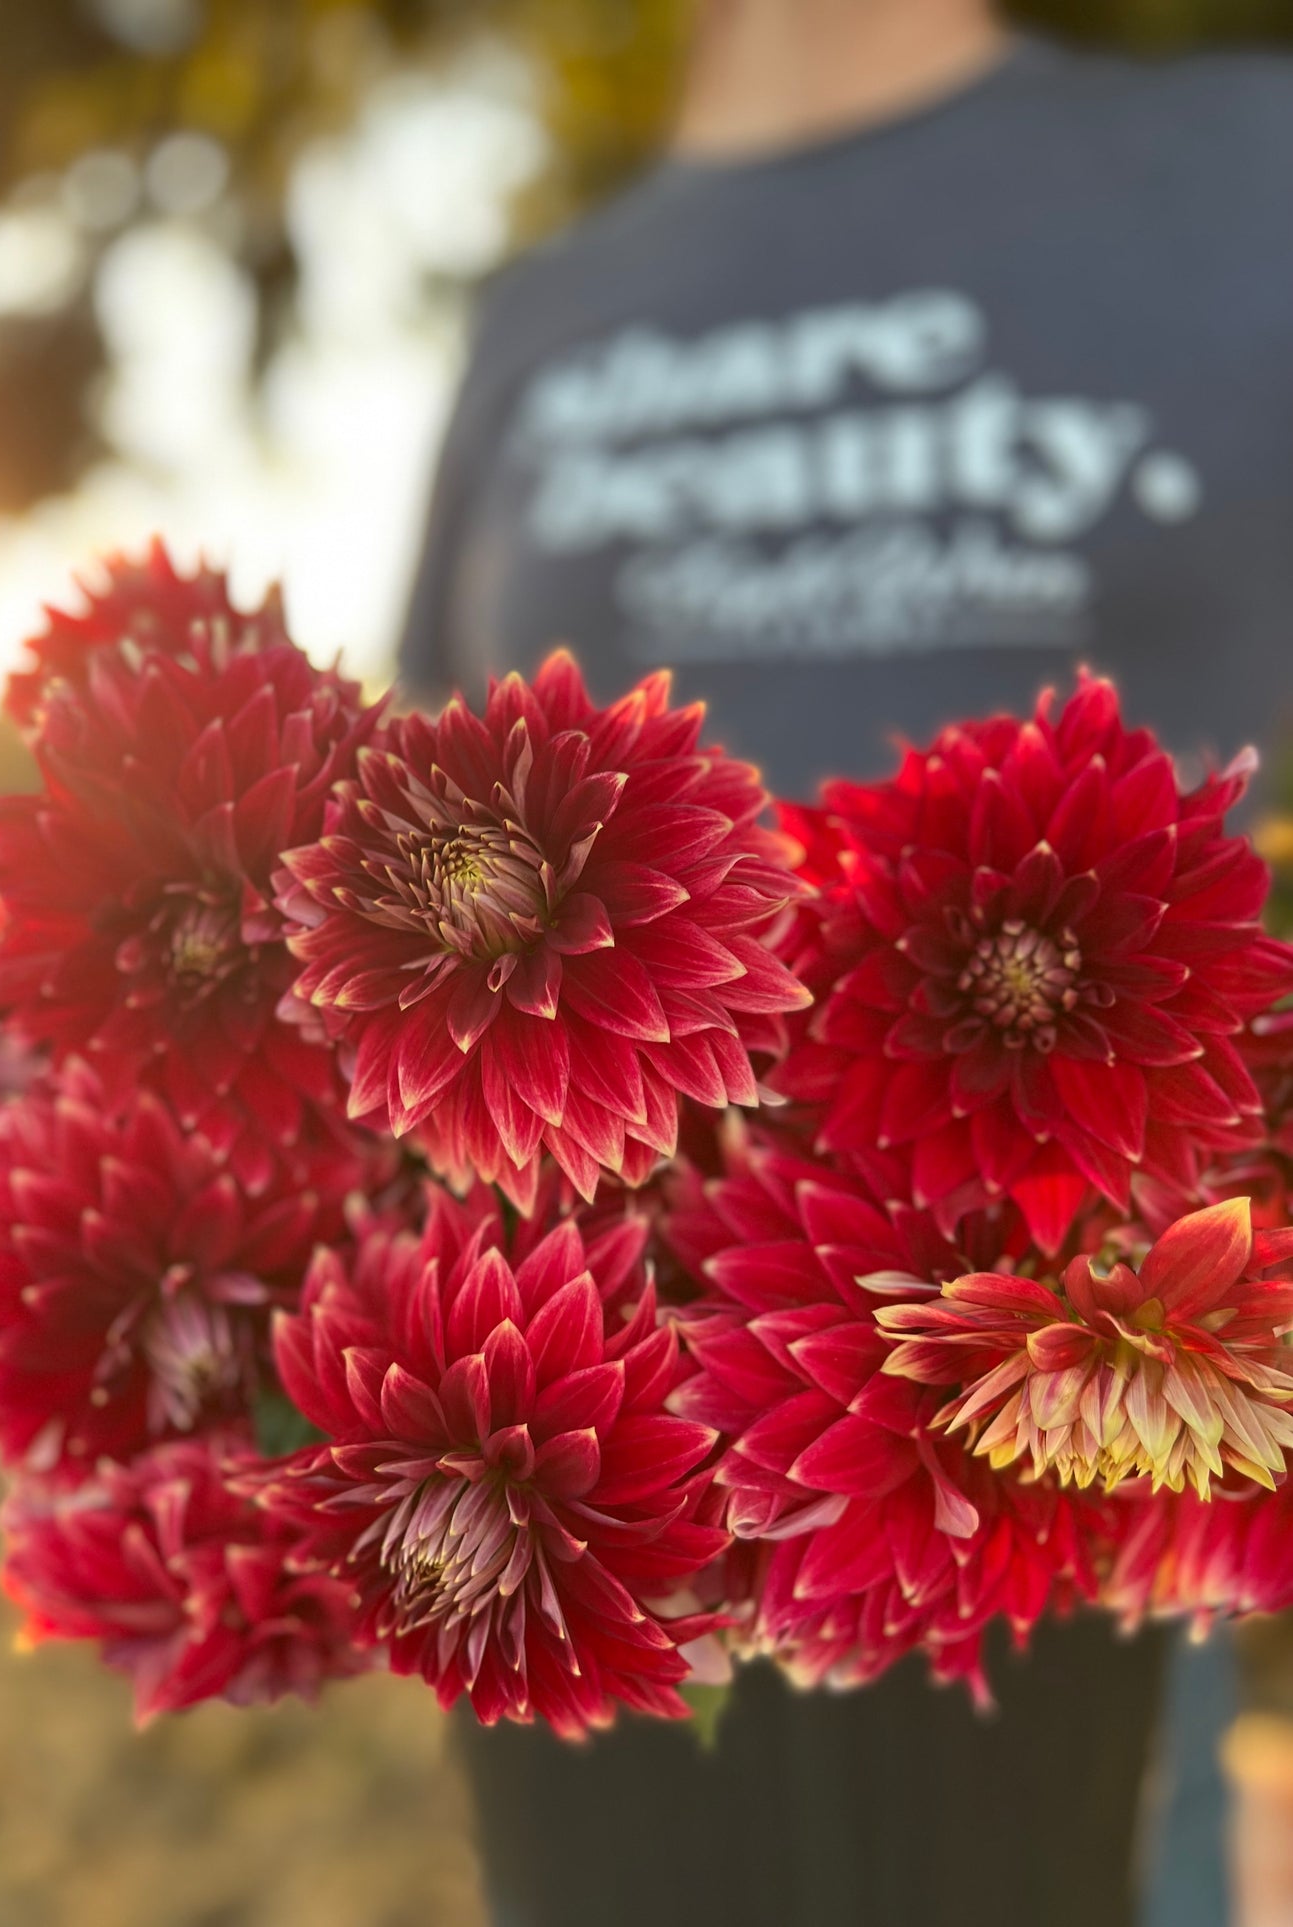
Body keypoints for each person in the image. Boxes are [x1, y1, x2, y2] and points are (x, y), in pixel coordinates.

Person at [397, 5, 1293, 1923]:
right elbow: (412, 861)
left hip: (1074, 1440)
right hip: (588, 1463)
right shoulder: (540, 309)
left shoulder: (1251, 162)